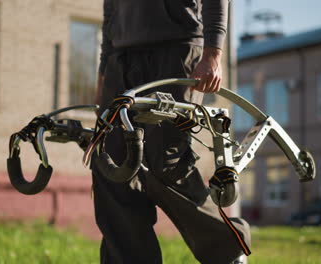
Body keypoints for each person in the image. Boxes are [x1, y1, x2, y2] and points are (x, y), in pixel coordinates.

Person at [91, 0, 251, 263]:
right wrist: (103, 74)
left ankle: (228, 252)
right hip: (121, 58)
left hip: (176, 49)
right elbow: (111, 10)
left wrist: (213, 52)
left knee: (165, 161)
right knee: (111, 165)